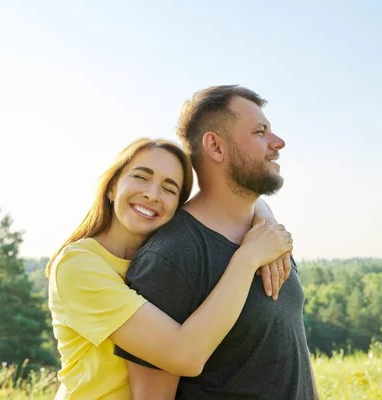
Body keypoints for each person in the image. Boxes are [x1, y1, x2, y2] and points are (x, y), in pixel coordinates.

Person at [46, 137, 295, 399]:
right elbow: (184, 356)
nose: (152, 195)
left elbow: (243, 201)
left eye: (169, 188)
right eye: (141, 177)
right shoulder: (78, 265)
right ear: (111, 187)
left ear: (178, 206)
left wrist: (265, 220)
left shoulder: (165, 261)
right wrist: (248, 258)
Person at [115, 86, 319, 399]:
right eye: (260, 132)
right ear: (215, 146)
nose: (278, 143)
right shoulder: (171, 257)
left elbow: (295, 355)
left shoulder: (269, 235)